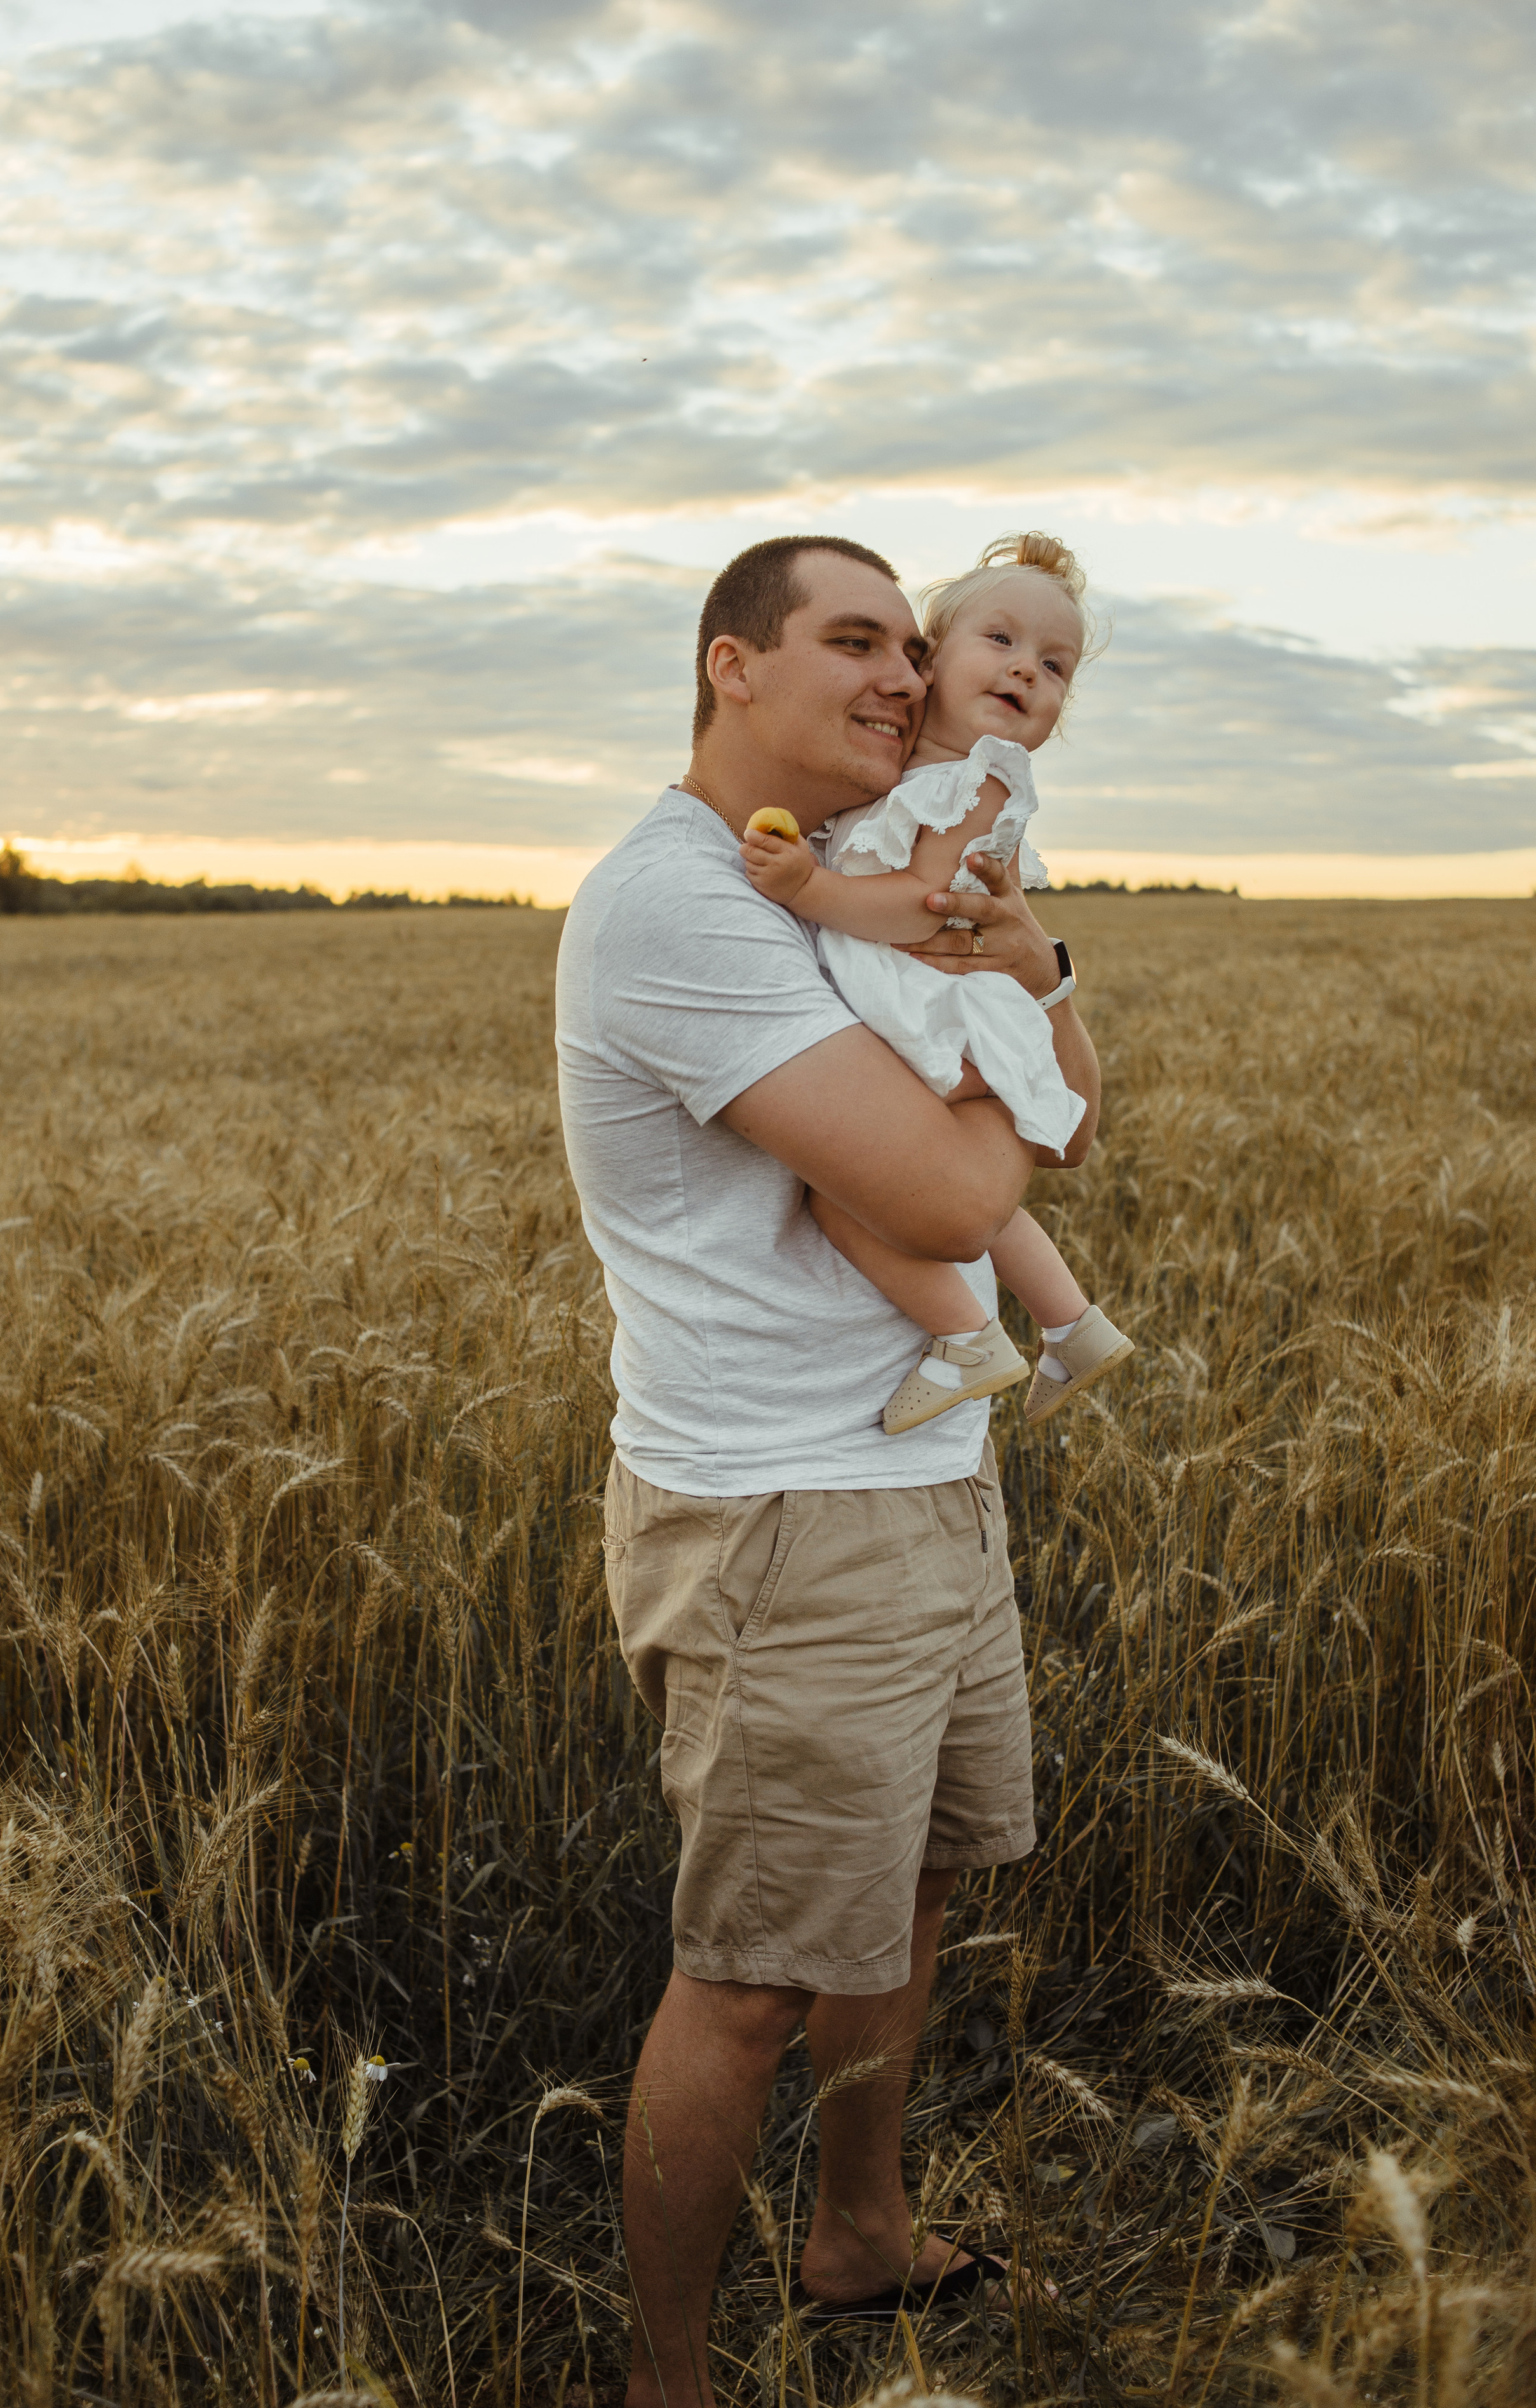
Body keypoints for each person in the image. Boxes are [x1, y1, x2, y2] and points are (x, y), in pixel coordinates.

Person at [554, 534, 1101, 2407]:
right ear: (732, 666)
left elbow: (1074, 1116)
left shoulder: (883, 863)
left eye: (911, 645)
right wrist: (1005, 1012)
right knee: (760, 1972)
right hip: (781, 1519)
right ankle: (670, 2377)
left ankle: (857, 2233)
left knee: (924, 1883)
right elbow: (962, 1188)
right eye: (852, 641)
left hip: (927, 1468)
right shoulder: (686, 905)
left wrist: (1036, 962)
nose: (901, 675)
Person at [740, 532, 1133, 1435]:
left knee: (846, 1194)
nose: (1029, 671)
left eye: (1055, 665)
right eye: (1000, 641)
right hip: (925, 995)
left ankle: (967, 1334)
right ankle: (1072, 1323)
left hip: (937, 1003)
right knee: (961, 1188)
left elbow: (925, 908)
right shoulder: (919, 774)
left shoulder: (979, 784)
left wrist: (811, 887)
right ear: (931, 662)